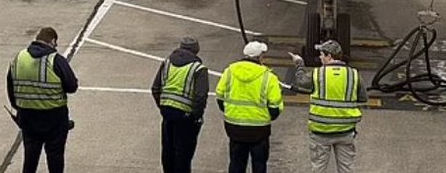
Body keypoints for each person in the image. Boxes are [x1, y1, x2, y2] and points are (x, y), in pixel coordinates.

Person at [289, 40, 368, 173]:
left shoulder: (317, 74)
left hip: (321, 131)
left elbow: (300, 83)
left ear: (329, 56)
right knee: (347, 168)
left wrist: (299, 64)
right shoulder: (354, 74)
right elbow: (363, 98)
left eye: (321, 54)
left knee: (318, 168)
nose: (320, 57)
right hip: (345, 130)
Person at [7, 27, 79, 173]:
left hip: (28, 117)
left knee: (30, 158)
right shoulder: (56, 60)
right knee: (55, 158)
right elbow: (72, 86)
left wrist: (20, 107)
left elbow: (11, 87)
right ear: (52, 41)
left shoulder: (19, 57)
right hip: (54, 118)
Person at [216, 41, 284, 173]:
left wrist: (230, 112)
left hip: (234, 126)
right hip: (259, 129)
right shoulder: (268, 77)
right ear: (260, 57)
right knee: (259, 165)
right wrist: (268, 117)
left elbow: (219, 96)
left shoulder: (229, 71)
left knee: (236, 163)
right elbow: (275, 106)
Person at [151, 37, 208, 173]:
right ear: (197, 50)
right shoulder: (198, 69)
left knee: (168, 151)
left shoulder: (167, 63)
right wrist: (196, 116)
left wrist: (163, 107)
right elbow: (200, 97)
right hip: (186, 117)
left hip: (167, 113)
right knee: (183, 154)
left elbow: (155, 88)